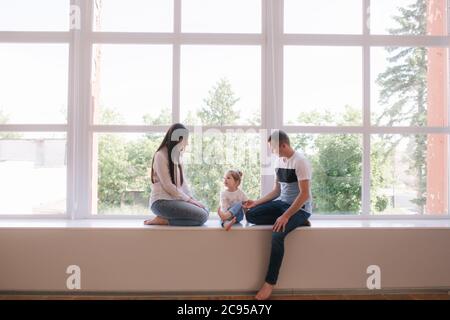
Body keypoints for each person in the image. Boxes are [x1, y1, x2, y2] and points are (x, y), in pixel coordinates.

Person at [243, 130, 312, 300]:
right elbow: (276, 191)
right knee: (251, 215)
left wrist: (286, 216)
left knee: (277, 234)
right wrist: (256, 203)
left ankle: (269, 283)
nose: (272, 152)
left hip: (300, 208)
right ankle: (291, 220)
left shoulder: (301, 162)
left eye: (273, 148)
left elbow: (304, 195)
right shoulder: (279, 161)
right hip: (282, 204)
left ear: (284, 145)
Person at [144, 123, 209, 226]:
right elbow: (168, 186)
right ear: (178, 139)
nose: (187, 143)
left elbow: (183, 184)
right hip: (161, 203)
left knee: (205, 210)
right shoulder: (160, 155)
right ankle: (164, 220)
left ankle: (166, 220)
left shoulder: (177, 156)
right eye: (185, 140)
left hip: (174, 200)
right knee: (202, 216)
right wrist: (189, 200)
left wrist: (192, 200)